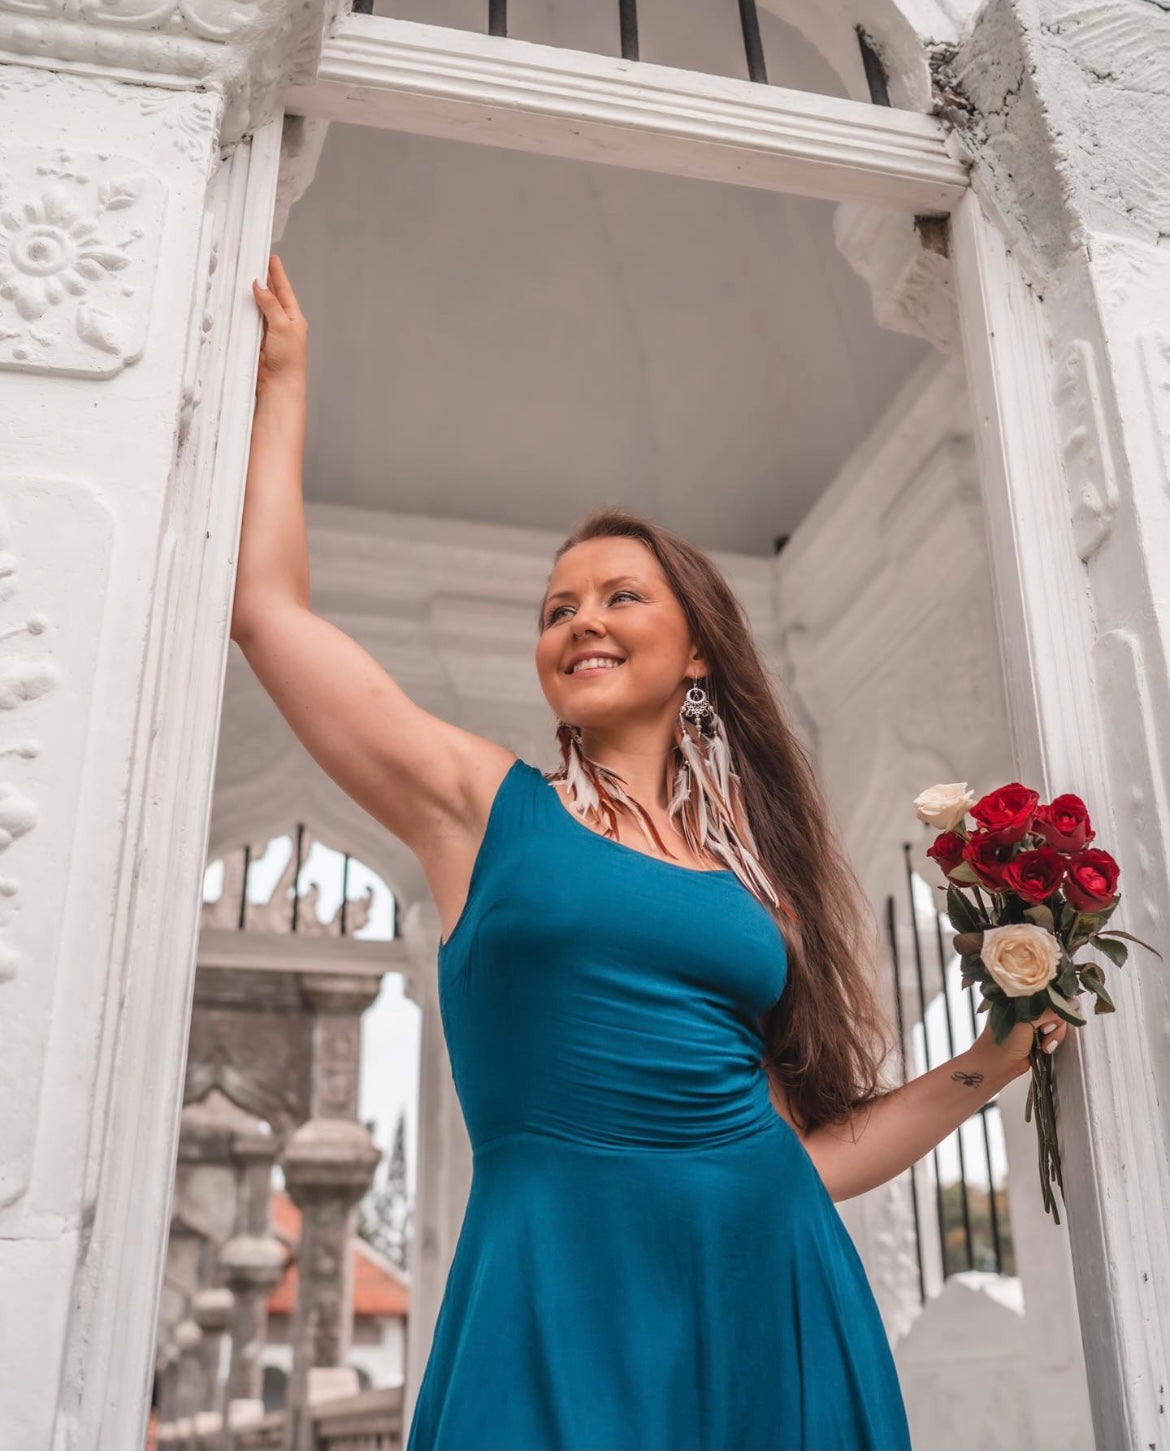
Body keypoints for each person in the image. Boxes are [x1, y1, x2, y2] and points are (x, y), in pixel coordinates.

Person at [238, 257, 1074, 1451]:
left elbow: (806, 1151)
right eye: (557, 608)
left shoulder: (754, 878)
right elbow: (268, 613)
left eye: (620, 596)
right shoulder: (483, 807)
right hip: (555, 1281)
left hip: (769, 1279)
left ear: (696, 650)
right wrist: (283, 381)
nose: (582, 618)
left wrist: (998, 1054)